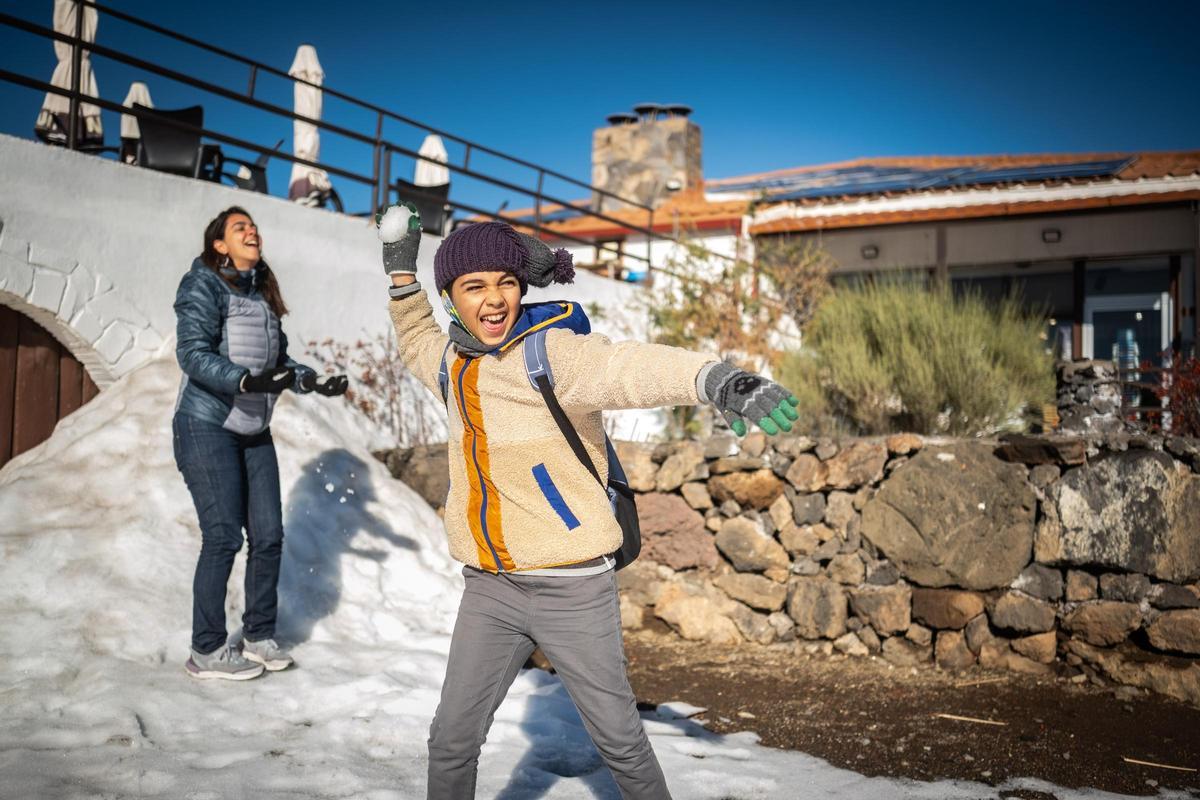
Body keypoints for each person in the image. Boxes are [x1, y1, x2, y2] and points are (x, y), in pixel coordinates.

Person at [378, 205, 799, 799]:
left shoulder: (551, 356)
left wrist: (717, 380)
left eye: (506, 283)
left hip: (572, 584)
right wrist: (401, 273)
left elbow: (627, 366)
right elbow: (416, 337)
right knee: (451, 737)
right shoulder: (452, 366)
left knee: (619, 740)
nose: (495, 299)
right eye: (475, 287)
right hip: (491, 587)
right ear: (451, 298)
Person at [173, 205, 349, 680]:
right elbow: (191, 353)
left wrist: (312, 382)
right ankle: (206, 649)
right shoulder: (203, 285)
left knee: (268, 536)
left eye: (253, 226)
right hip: (206, 426)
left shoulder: (262, 293)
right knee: (224, 536)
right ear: (219, 244)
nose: (251, 231)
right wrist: (246, 382)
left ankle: (257, 636)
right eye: (239, 228)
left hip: (254, 431)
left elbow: (281, 361)